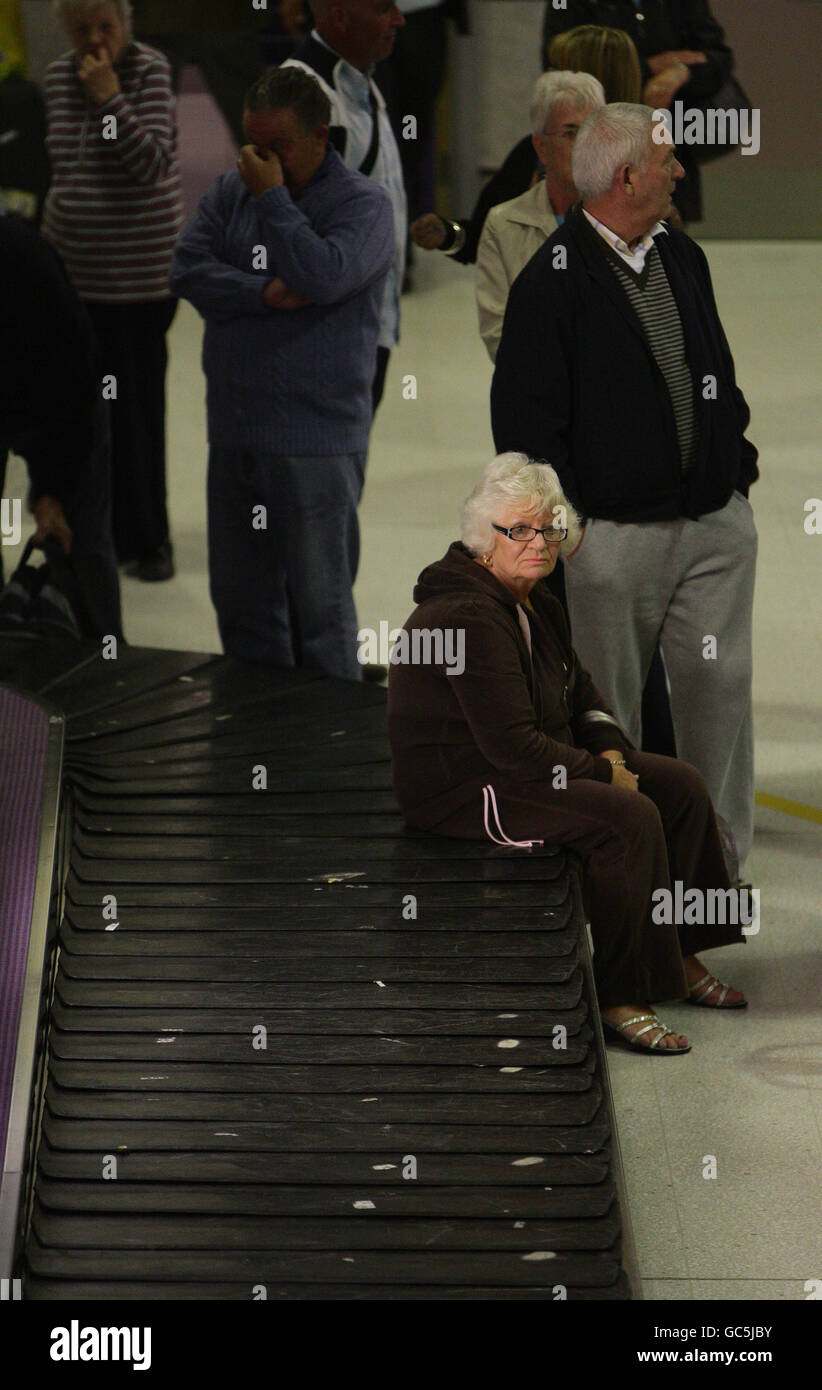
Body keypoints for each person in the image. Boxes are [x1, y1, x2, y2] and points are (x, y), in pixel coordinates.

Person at [387, 455, 749, 1054]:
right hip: (468, 789)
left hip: (524, 768)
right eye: (520, 530)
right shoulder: (467, 616)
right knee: (626, 818)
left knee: (679, 786)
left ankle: (681, 952)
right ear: (485, 537)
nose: (539, 543)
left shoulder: (534, 601)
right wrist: (604, 774)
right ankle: (620, 994)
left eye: (550, 528)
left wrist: (610, 749)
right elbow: (511, 746)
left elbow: (582, 695)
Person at [491, 104, 758, 870]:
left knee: (720, 695)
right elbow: (524, 427)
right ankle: (627, 873)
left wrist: (736, 475)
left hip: (711, 526)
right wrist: (576, 536)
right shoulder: (551, 283)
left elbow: (718, 374)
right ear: (628, 175)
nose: (681, 171)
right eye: (668, 161)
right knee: (613, 721)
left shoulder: (681, 255)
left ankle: (717, 869)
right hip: (612, 542)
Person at [169, 65, 394, 680]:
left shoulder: (363, 207)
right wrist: (261, 293)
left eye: (277, 148)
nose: (258, 160)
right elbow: (186, 269)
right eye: (252, 145)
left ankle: (327, 756)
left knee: (320, 616)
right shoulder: (228, 190)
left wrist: (272, 201)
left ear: (322, 137)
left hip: (314, 445)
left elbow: (322, 273)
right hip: (236, 433)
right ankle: (253, 744)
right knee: (244, 614)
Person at [42, 0, 184, 581]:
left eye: (107, 26)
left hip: (139, 279)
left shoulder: (150, 71)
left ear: (127, 24)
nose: (95, 39)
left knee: (136, 413)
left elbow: (148, 162)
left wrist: (107, 96)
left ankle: (150, 538)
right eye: (82, 30)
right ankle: (89, 529)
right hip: (75, 273)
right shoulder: (55, 76)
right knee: (81, 411)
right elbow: (62, 164)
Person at [411, 22, 642, 265]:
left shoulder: (647, 163)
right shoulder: (536, 152)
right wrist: (448, 233)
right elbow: (483, 237)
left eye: (557, 69)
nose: (547, 77)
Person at [0, 212, 122, 639]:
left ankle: (105, 665)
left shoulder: (20, 258)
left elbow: (70, 383)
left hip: (65, 406)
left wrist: (52, 489)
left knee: (80, 547)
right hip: (25, 395)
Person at [282, 0, 407, 410]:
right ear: (339, 16)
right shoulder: (305, 95)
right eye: (383, 9)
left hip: (368, 327)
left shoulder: (361, 81)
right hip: (329, 340)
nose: (399, 20)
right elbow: (299, 231)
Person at [541, 0, 736, 224]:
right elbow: (561, 60)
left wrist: (680, 73)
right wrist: (650, 67)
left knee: (665, 239)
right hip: (596, 141)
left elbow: (717, 57)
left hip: (666, 137)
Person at [475, 71, 604, 362]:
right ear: (541, 148)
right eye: (570, 133)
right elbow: (499, 335)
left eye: (591, 132)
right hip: (537, 395)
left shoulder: (628, 220)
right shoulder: (503, 224)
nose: (584, 145)